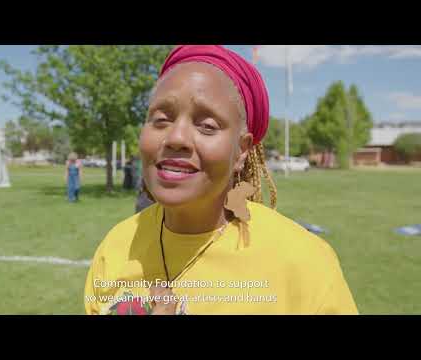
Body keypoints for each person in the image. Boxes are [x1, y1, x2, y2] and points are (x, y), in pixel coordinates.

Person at [85, 45, 358, 315]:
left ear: (242, 150)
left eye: (207, 126)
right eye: (160, 119)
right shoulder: (116, 246)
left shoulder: (305, 263)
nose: (176, 138)